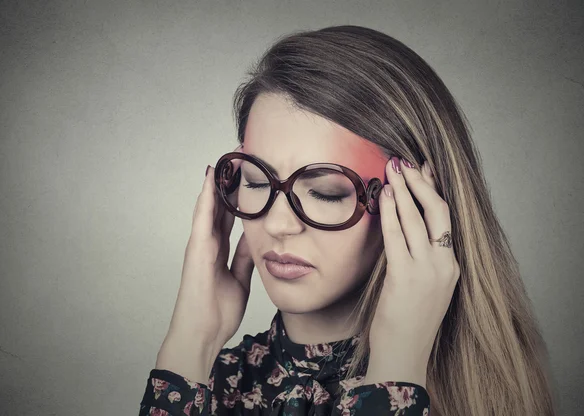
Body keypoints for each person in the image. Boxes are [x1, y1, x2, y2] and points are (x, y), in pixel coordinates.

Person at [139, 25, 557, 415]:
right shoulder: (206, 383)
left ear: (415, 201)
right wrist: (192, 343)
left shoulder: (486, 393)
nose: (279, 224)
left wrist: (397, 369)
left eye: (326, 191)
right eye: (256, 181)